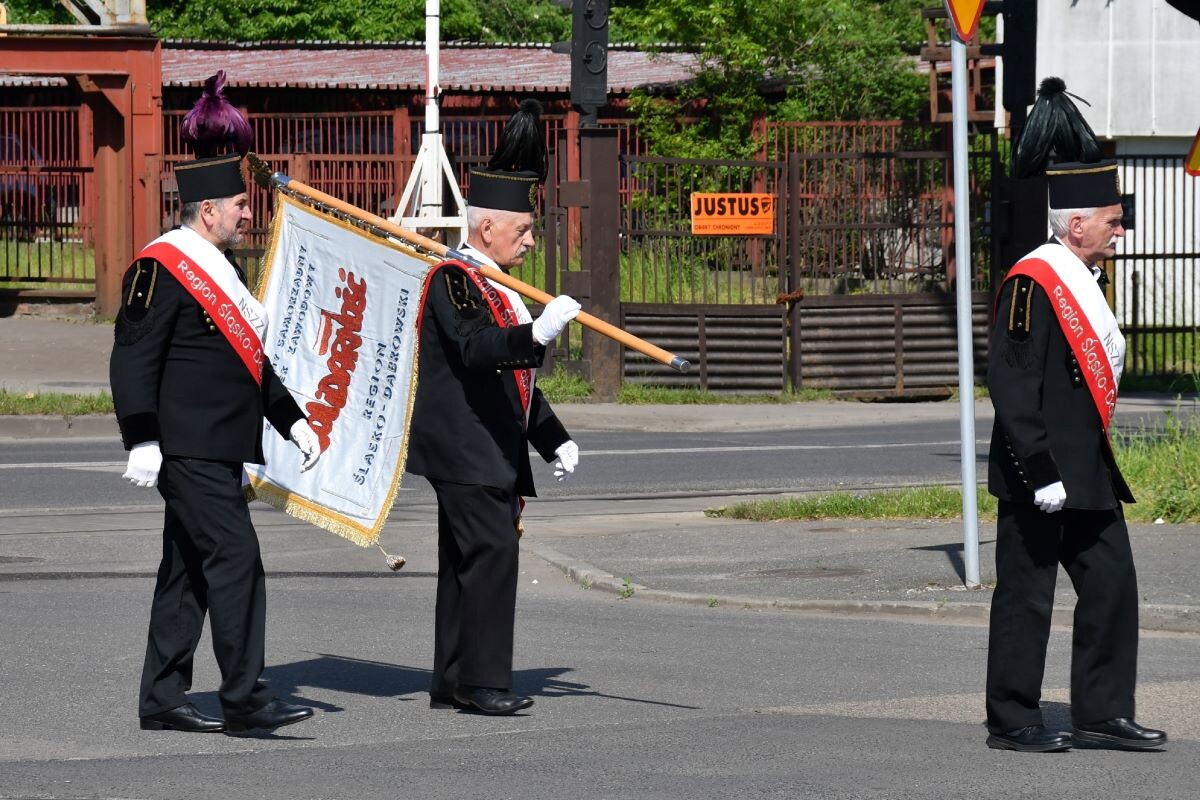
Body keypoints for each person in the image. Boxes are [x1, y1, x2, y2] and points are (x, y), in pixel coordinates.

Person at [110, 72, 322, 735]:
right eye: (239, 203)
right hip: (187, 447)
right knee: (235, 559)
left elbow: (248, 362)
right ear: (207, 211)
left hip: (220, 445)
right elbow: (132, 355)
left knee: (189, 570)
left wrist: (293, 422)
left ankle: (162, 696)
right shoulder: (161, 266)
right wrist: (140, 437)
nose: (248, 212)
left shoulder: (223, 270)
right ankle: (245, 699)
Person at [984, 159, 1166, 752]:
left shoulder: (1085, 278)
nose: (1121, 231)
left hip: (1088, 473)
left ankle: (1102, 713)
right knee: (1026, 599)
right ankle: (1012, 720)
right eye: (1114, 222)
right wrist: (1039, 468)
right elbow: (1012, 385)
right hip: (1037, 475)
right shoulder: (1033, 282)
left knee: (1113, 586)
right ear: (1077, 223)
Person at [406, 99, 581, 716]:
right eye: (522, 230)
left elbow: (515, 386)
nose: (531, 240)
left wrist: (553, 436)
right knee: (492, 556)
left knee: (463, 562)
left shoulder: (496, 286)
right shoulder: (454, 278)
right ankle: (483, 682)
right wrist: (535, 335)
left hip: (486, 444)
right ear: (486, 229)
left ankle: (454, 679)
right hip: (465, 447)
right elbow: (481, 351)